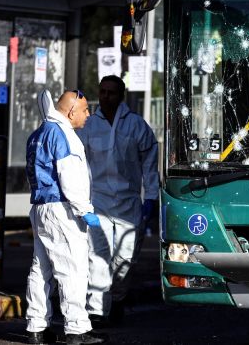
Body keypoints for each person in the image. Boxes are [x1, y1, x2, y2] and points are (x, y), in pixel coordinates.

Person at [24, 89, 107, 345]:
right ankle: (76, 331)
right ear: (71, 112)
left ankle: (36, 327)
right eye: (84, 110)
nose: (88, 114)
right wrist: (86, 210)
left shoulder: (38, 134)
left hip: (40, 208)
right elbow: (71, 178)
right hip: (63, 209)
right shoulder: (65, 136)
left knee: (41, 269)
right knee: (73, 269)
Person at [78, 75, 159, 325]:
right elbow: (79, 162)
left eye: (111, 93)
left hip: (129, 202)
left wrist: (152, 196)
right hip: (98, 201)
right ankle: (99, 311)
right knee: (98, 255)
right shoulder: (89, 126)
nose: (105, 97)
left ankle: (118, 298)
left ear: (121, 96)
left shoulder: (136, 125)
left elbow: (150, 163)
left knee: (125, 258)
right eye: (102, 92)